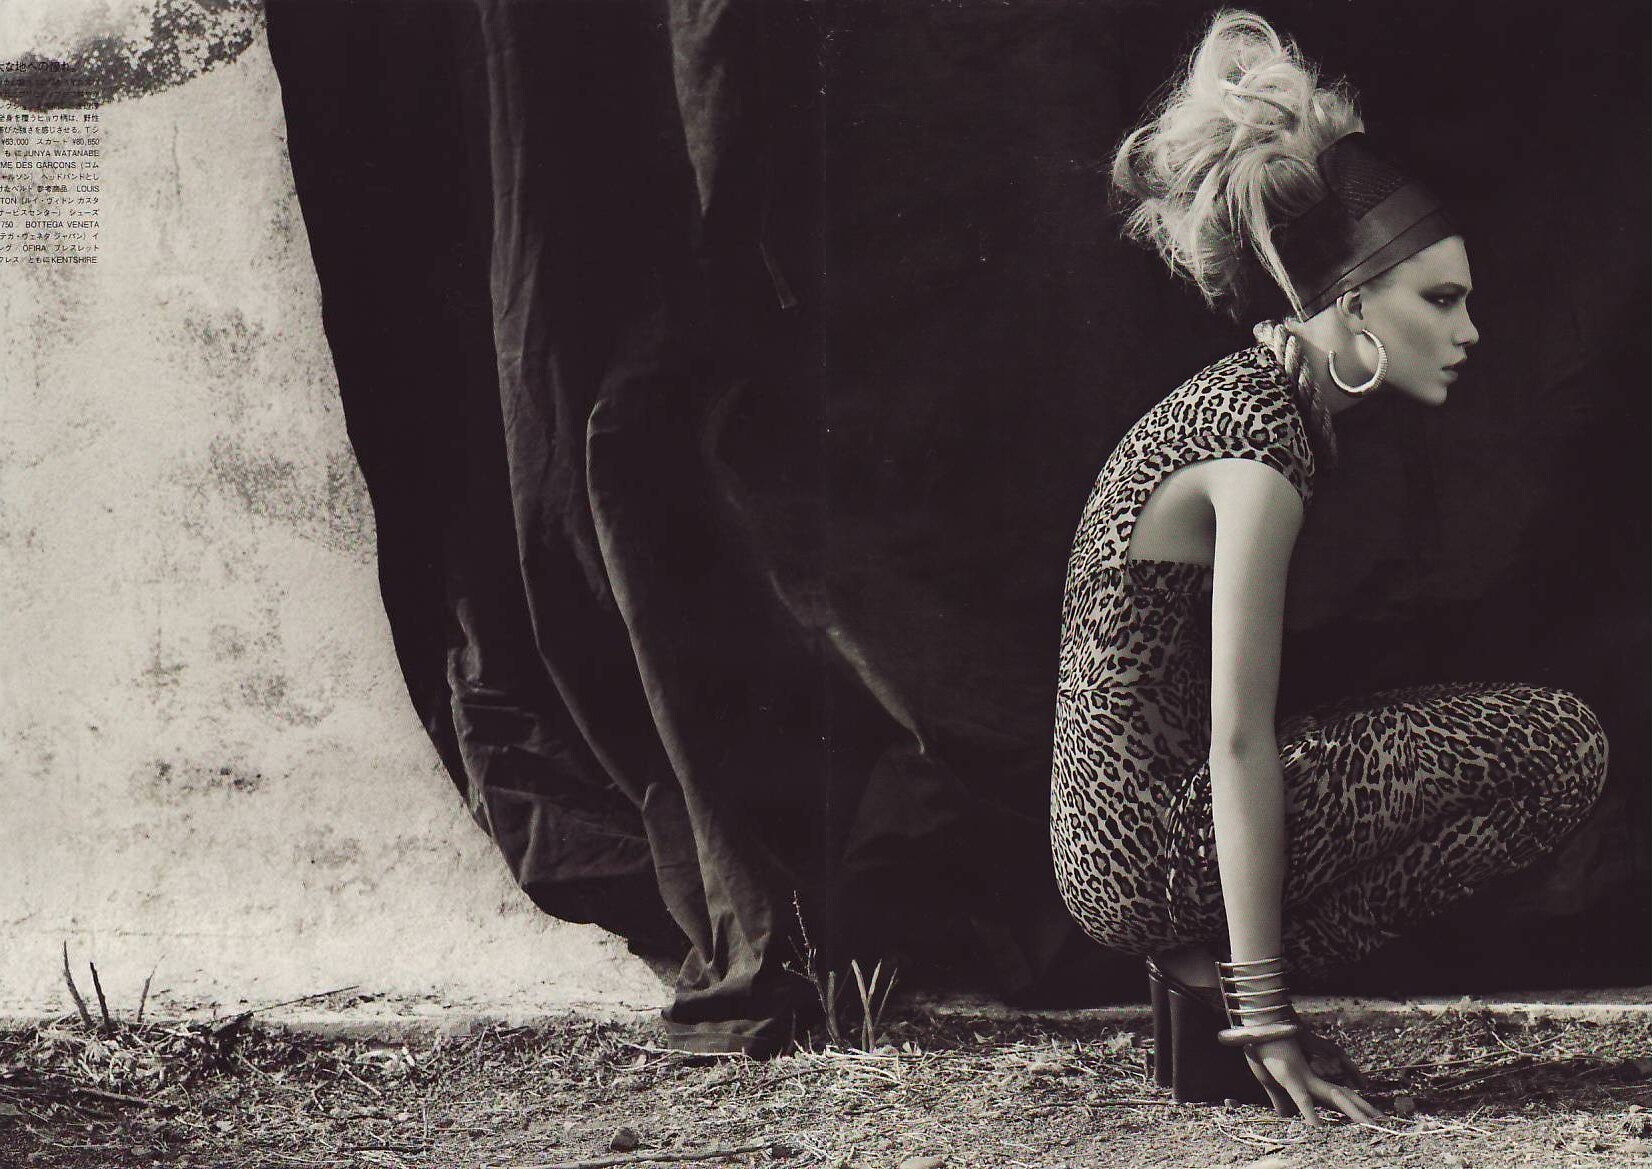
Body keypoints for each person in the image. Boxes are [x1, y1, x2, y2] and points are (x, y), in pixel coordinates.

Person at [1048, 9, 1609, 1126]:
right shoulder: (1255, 443)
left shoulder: (1258, 406)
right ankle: (1223, 992)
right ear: (1350, 303)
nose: (1469, 331)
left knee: (1526, 750)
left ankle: (1202, 975)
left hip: (1130, 842)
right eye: (1438, 299)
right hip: (1147, 847)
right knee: (1557, 747)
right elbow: (1235, 737)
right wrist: (1268, 1013)